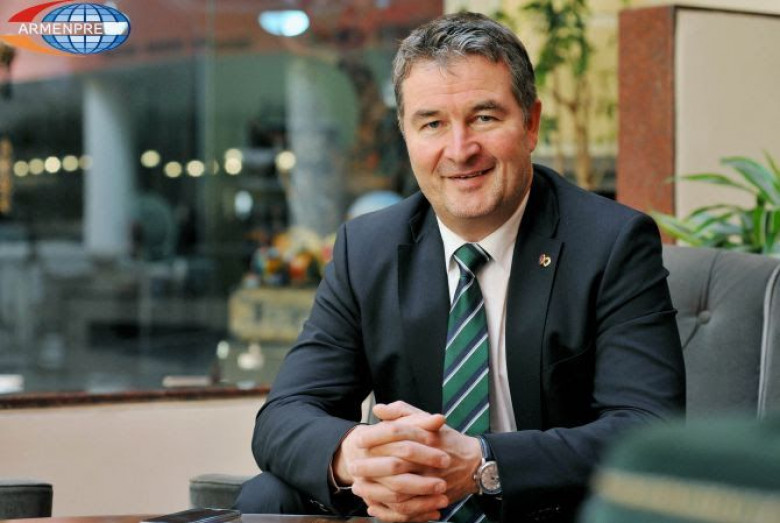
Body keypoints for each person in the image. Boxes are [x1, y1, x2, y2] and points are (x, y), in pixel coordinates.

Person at [235, 11, 685, 523]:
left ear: (531, 124)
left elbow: (648, 429)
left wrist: (482, 464)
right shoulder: (368, 248)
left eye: (484, 118)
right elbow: (284, 416)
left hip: (549, 509)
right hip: (414, 512)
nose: (459, 150)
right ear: (406, 135)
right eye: (432, 124)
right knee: (265, 497)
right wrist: (358, 456)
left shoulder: (611, 242)